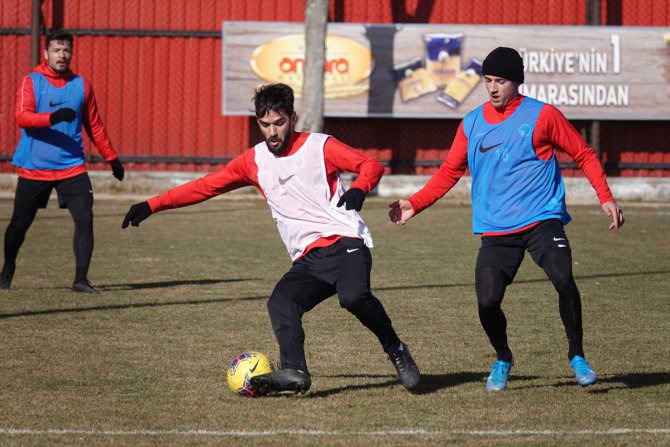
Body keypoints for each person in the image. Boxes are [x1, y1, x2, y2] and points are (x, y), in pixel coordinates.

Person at [122, 83, 420, 394]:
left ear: (293, 118)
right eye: (265, 125)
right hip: (308, 258)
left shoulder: (320, 146)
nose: (273, 132)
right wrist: (153, 204)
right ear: (258, 123)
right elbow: (206, 186)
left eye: (279, 123)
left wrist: (360, 187)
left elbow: (370, 165)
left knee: (353, 298)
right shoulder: (254, 161)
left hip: (346, 242)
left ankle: (396, 349)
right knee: (281, 302)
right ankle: (295, 370)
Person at [389, 47, 624, 392]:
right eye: (488, 81)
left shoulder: (542, 115)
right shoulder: (472, 123)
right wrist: (415, 204)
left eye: (501, 81)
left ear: (516, 82)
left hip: (542, 219)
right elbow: (449, 171)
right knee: (486, 301)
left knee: (562, 277)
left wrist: (605, 196)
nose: (493, 88)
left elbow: (583, 153)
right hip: (496, 229)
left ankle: (577, 355)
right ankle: (503, 357)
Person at [0, 30, 124, 294]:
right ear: (46, 54)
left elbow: (95, 126)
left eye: (66, 50)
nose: (62, 55)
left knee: (85, 218)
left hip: (72, 167)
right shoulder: (31, 82)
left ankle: (81, 279)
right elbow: (22, 118)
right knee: (19, 225)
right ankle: (8, 266)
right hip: (35, 168)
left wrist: (112, 158)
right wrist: (52, 118)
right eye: (56, 50)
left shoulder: (81, 85)